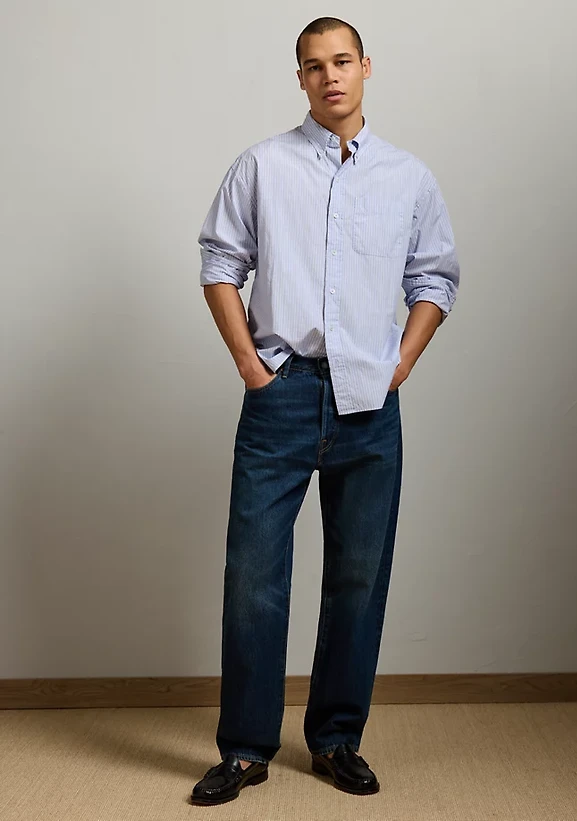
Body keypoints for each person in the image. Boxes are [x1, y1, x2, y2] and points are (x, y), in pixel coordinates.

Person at [190, 16, 460, 807]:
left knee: (357, 576)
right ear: (301, 78)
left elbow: (436, 277)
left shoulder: (408, 177)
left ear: (367, 67)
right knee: (254, 577)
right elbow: (219, 262)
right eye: (315, 66)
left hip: (370, 403)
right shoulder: (262, 167)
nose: (330, 76)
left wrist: (401, 362)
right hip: (281, 393)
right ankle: (245, 748)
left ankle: (338, 738)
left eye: (343, 61)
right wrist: (251, 366)